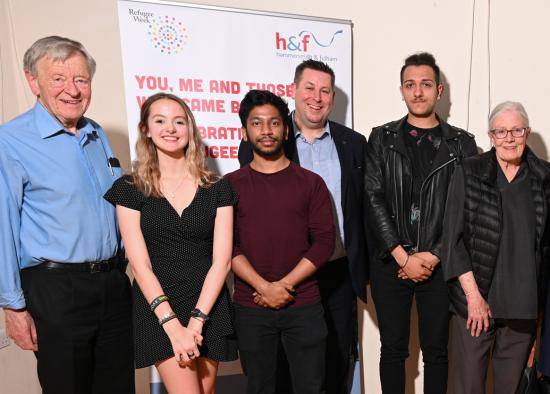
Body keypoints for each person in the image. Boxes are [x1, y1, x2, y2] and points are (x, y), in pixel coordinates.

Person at [0, 36, 134, 393]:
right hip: (56, 289)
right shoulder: (10, 140)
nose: (72, 90)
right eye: (58, 78)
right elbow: (3, 228)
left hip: (112, 284)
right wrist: (12, 307)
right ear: (33, 81)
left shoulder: (96, 133)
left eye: (81, 80)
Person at [239, 59, 367, 394]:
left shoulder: (353, 143)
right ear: (294, 91)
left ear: (332, 99)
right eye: (309, 88)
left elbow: (363, 206)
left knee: (336, 358)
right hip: (280, 273)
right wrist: (270, 285)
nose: (317, 96)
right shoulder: (270, 139)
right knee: (276, 364)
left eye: (325, 90)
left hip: (337, 269)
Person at [104, 92, 238, 394]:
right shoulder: (129, 188)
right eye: (160, 120)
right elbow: (140, 265)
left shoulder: (218, 187)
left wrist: (197, 322)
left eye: (179, 121)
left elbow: (223, 262)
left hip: (208, 303)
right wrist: (174, 327)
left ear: (190, 128)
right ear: (146, 130)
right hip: (159, 308)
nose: (171, 128)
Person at [364, 52, 477, 393]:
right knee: (393, 350)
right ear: (401, 90)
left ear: (439, 90)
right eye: (410, 85)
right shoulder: (381, 138)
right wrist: (402, 256)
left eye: (425, 84)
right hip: (391, 262)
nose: (418, 92)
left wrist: (435, 254)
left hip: (439, 265)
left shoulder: (462, 144)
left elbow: (466, 207)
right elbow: (372, 198)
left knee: (437, 353)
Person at [228, 89, 335, 393]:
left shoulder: (311, 183)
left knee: (309, 387)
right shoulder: (230, 186)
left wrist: (283, 286)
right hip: (252, 306)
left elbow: (324, 242)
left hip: (304, 304)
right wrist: (264, 288)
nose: (266, 131)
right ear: (245, 132)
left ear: (285, 130)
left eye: (274, 123)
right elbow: (227, 246)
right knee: (260, 387)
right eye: (257, 123)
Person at [441, 101, 550, 393]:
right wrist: (473, 298)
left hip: (523, 308)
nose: (509, 138)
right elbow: (452, 241)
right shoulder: (469, 171)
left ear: (527, 133)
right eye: (501, 131)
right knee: (469, 388)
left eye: (516, 130)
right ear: (490, 136)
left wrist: (540, 316)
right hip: (476, 305)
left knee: (510, 388)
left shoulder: (544, 178)